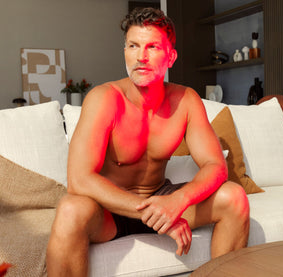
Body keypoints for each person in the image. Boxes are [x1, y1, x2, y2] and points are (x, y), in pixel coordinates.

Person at [47, 7, 249, 276]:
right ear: (125, 51)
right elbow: (79, 179)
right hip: (110, 210)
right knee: (70, 209)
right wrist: (151, 214)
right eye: (133, 46)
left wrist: (177, 202)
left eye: (152, 47)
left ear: (171, 57)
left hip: (161, 197)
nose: (140, 57)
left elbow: (215, 166)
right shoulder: (104, 98)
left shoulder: (185, 100)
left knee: (234, 197)